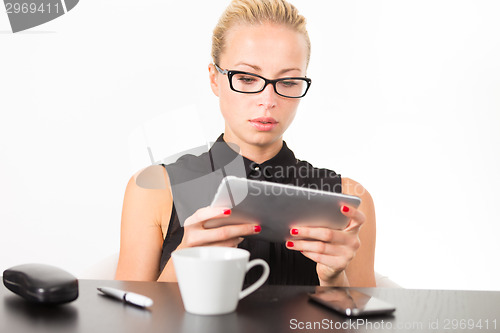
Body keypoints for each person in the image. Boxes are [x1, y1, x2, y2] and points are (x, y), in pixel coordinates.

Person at [115, 0, 376, 287]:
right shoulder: (154, 190)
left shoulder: (349, 198)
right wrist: (184, 261)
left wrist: (334, 280)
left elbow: (367, 323)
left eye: (288, 82)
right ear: (215, 79)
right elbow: (127, 320)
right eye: (247, 78)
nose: (268, 100)